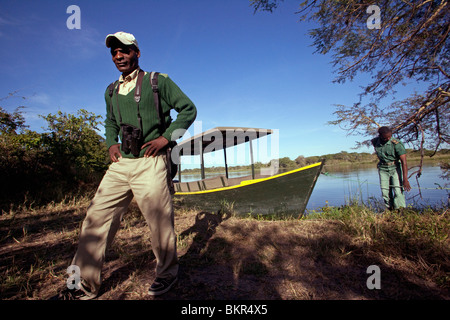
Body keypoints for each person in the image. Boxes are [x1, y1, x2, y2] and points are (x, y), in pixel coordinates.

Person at [58, 31, 197, 299]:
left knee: (159, 222)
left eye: (124, 50)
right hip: (122, 163)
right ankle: (85, 283)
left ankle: (167, 273)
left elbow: (189, 110)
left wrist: (166, 139)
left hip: (151, 162)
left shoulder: (158, 81)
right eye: (114, 52)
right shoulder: (110, 90)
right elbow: (110, 121)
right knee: (96, 218)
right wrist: (111, 142)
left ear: (137, 52)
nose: (119, 55)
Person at [371, 126, 411, 211]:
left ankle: (400, 211)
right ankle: (390, 210)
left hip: (395, 168)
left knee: (397, 190)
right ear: (380, 136)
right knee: (385, 191)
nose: (388, 138)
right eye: (386, 137)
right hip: (383, 169)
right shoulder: (375, 141)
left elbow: (404, 162)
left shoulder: (396, 144)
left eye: (389, 136)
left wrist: (405, 179)